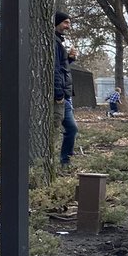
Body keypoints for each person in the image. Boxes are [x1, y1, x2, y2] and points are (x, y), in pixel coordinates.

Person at [53, 12, 79, 168]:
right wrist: (59, 94)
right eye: (65, 22)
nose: (68, 26)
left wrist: (69, 59)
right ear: (57, 23)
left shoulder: (59, 42)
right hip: (61, 96)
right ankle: (63, 161)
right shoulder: (54, 42)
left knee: (71, 129)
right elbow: (54, 70)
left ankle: (64, 161)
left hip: (66, 95)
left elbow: (62, 67)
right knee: (69, 128)